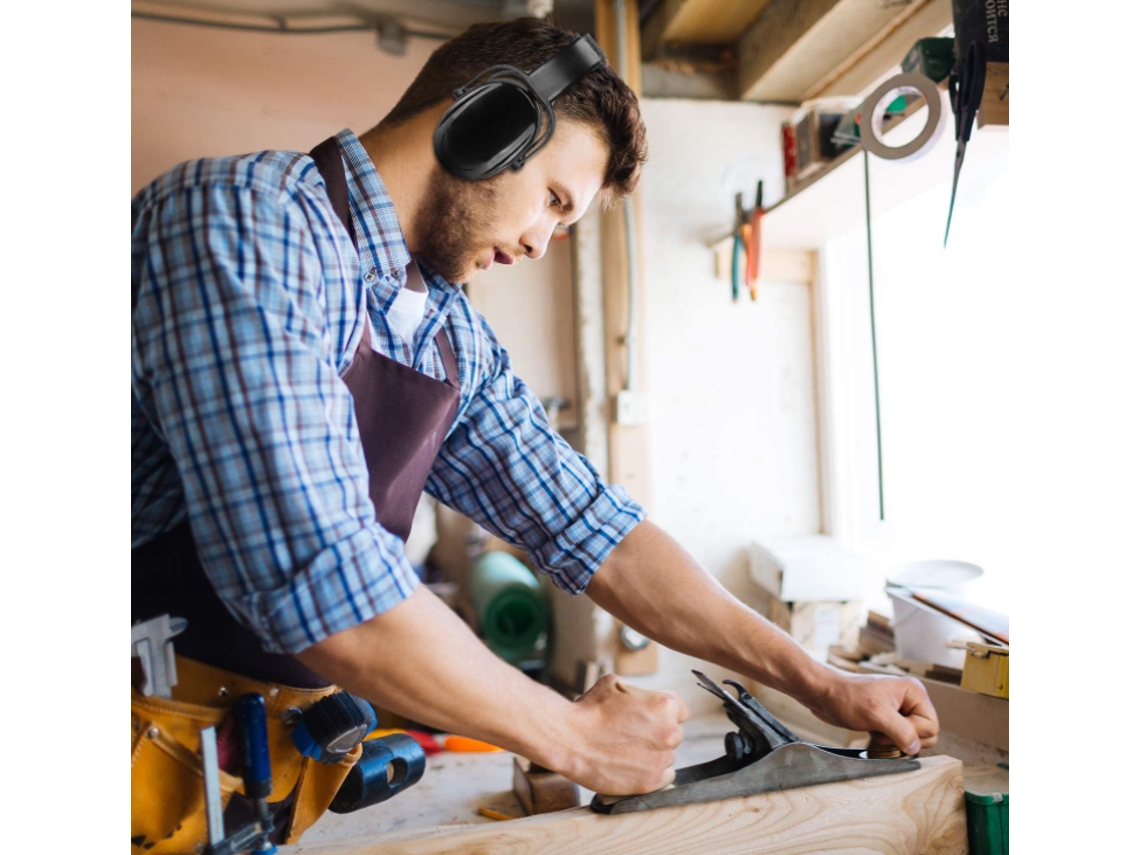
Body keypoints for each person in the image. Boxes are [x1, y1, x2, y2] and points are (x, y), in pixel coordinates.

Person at [131, 16, 938, 851]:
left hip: (235, 783)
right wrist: (571, 735)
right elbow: (323, 581)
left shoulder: (444, 331)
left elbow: (598, 533)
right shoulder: (244, 223)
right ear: (485, 122)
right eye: (553, 199)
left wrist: (822, 680)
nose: (538, 243)